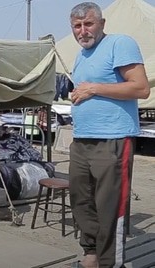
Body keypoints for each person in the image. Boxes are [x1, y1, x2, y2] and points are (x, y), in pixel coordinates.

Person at [67, 2, 150, 267]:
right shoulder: (81, 56)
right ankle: (91, 255)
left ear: (102, 24)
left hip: (113, 139)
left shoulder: (119, 43)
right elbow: (90, 88)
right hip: (82, 139)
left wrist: (93, 89)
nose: (83, 31)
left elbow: (141, 88)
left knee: (109, 208)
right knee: (81, 202)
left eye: (88, 24)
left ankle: (111, 262)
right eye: (77, 26)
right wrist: (80, 94)